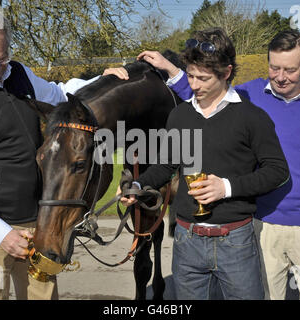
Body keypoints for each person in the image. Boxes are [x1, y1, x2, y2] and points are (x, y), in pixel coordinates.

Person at [139, 30, 300, 300]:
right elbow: (204, 91)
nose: (280, 76)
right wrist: (169, 68)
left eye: (290, 70)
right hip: (262, 223)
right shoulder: (249, 94)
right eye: (274, 67)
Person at [0, 8, 124, 300]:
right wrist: (3, 233)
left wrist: (101, 80)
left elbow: (59, 94)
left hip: (39, 224)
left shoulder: (19, 73)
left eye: (2, 58)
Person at [120, 27, 290, 300]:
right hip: (187, 243)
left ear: (226, 73)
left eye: (203, 78)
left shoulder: (252, 117)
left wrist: (226, 187)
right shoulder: (179, 116)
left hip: (236, 242)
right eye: (190, 75)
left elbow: (278, 172)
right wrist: (138, 184)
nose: (195, 85)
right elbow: (166, 166)